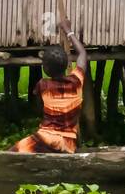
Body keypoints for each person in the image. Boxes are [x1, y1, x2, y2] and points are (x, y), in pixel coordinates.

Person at [11, 17, 88, 154]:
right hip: (69, 144)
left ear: (45, 69)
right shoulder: (76, 82)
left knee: (13, 152)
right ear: (65, 65)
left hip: (48, 139)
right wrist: (68, 30)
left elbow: (38, 108)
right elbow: (82, 53)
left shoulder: (43, 85)